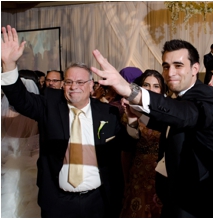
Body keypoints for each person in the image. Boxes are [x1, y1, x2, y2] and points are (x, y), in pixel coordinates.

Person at [1, 25, 136, 217]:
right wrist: (8, 65)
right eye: (69, 82)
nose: (74, 87)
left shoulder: (107, 112)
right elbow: (20, 99)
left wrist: (131, 121)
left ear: (91, 86)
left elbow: (126, 145)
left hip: (98, 201)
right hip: (57, 201)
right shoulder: (50, 104)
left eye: (80, 82)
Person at [91, 39, 213, 217]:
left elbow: (184, 116)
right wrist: (139, 115)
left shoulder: (205, 95)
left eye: (178, 65)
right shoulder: (180, 96)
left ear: (195, 69)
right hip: (172, 194)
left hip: (193, 201)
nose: (170, 72)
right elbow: (169, 122)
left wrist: (130, 90)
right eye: (166, 66)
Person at [119, 70, 168, 218]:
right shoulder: (131, 110)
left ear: (162, 90)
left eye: (155, 86)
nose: (150, 89)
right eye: (146, 85)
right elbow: (129, 144)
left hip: (163, 171)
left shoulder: (168, 112)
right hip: (139, 171)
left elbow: (161, 127)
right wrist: (132, 119)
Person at [1, 74, 41, 218]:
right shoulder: (36, 117)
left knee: (8, 202)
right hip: (31, 166)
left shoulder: (4, 115)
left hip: (8, 165)